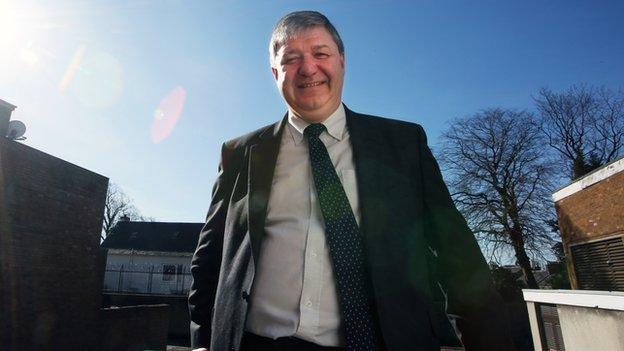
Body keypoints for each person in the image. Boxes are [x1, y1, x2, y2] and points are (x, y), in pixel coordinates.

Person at [189, 10, 513, 351]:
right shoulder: (239, 153)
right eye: (292, 58)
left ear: (341, 60)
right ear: (275, 73)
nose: (308, 67)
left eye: (320, 53)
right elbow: (208, 262)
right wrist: (202, 341)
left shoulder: (403, 144)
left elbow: (457, 255)